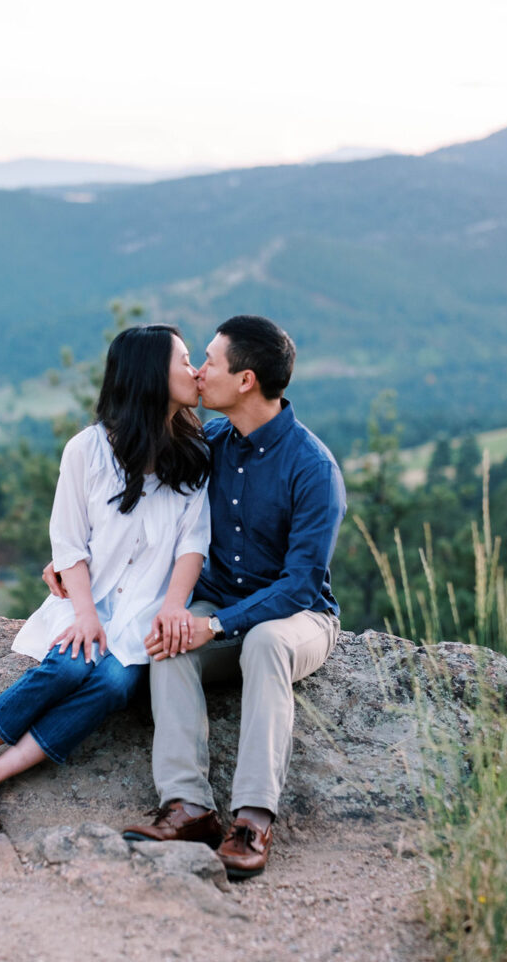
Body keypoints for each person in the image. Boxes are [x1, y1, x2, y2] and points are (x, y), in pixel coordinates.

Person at [0, 324, 210, 834]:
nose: (195, 370)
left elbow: (193, 545)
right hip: (87, 600)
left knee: (111, 682)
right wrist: (85, 613)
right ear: (151, 373)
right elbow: (68, 544)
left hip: (147, 616)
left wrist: (173, 607)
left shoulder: (196, 454)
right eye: (185, 359)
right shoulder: (86, 450)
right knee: (67, 667)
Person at [121, 315, 347, 879]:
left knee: (266, 643)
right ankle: (189, 806)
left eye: (210, 362)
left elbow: (300, 585)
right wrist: (71, 559)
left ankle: (252, 819)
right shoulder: (208, 443)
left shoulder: (313, 468)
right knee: (167, 637)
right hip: (217, 610)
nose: (198, 371)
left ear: (245, 380)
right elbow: (138, 509)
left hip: (299, 619)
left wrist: (216, 625)